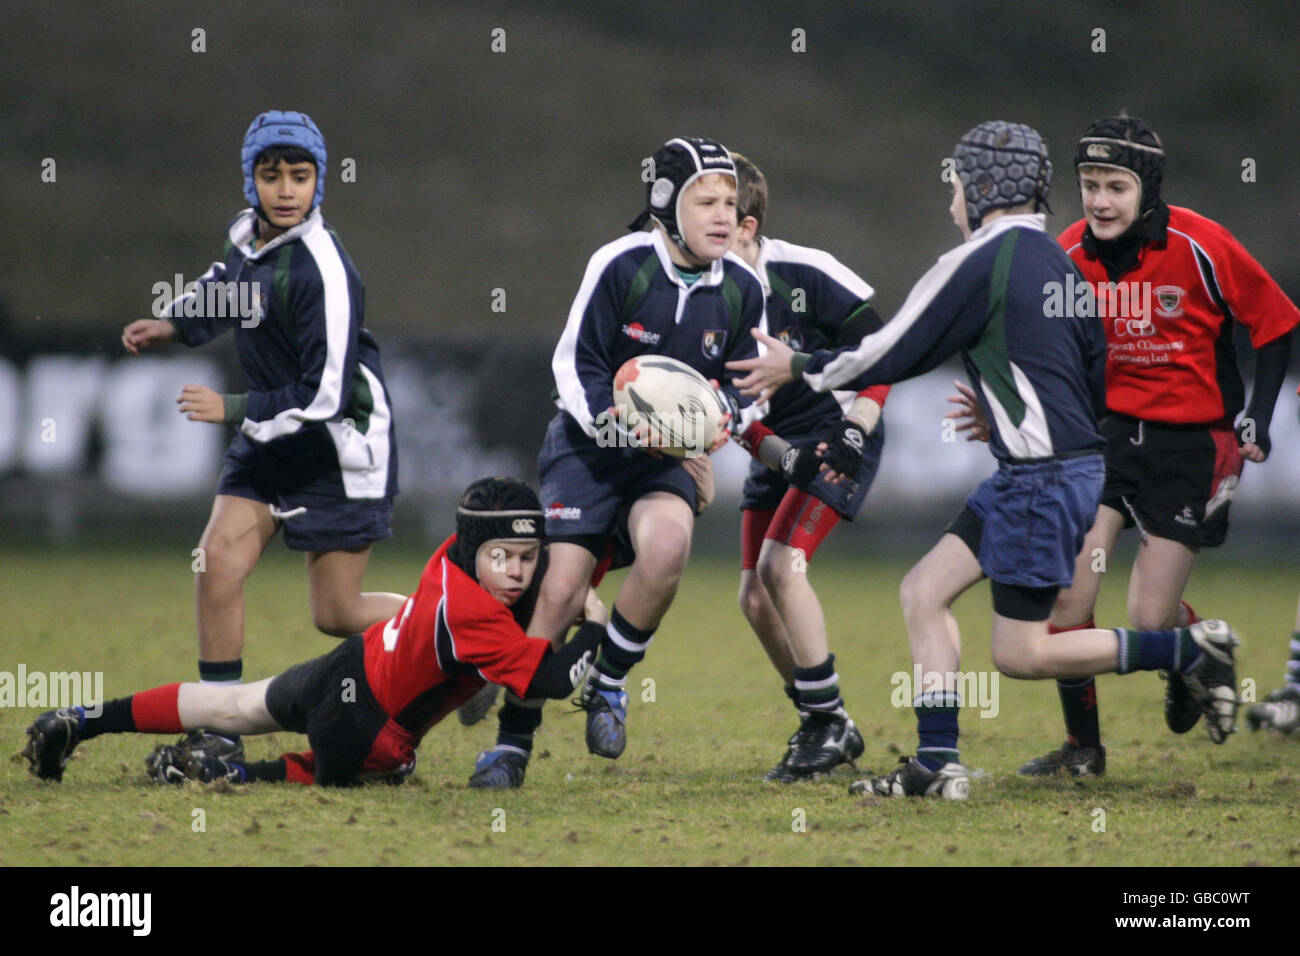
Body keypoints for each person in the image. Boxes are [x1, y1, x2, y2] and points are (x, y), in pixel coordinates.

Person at [728, 121, 1241, 799]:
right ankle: (938, 764)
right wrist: (1009, 414)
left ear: (983, 187)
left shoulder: (982, 258)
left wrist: (793, 364)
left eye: (955, 187)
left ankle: (1188, 651)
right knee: (923, 591)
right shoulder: (1059, 259)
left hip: (1040, 479)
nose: (951, 204)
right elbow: (1092, 366)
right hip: (1050, 471)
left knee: (1022, 653)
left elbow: (892, 351)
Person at [468, 136, 765, 784]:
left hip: (664, 461)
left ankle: (606, 680)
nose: (722, 215)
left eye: (729, 202)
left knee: (667, 548)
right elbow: (575, 365)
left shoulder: (743, 287)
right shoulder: (622, 264)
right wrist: (618, 423)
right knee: (560, 591)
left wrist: (722, 418)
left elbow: (747, 381)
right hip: (590, 448)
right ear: (666, 203)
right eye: (705, 200)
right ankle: (513, 745)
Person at [1007, 116, 1297, 776]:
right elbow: (1050, 350)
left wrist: (1258, 416)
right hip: (1103, 440)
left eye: (1115, 185)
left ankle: (1194, 649)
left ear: (1148, 189)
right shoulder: (1070, 252)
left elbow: (1277, 323)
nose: (1100, 201)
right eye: (1089, 185)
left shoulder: (1202, 244)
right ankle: (1084, 751)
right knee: (1069, 598)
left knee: (1147, 614)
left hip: (1190, 447)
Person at [119, 111, 404, 759]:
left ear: (319, 184)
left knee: (335, 613)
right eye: (270, 174)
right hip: (268, 437)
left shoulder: (324, 272)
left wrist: (229, 407)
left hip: (337, 448)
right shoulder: (247, 236)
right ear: (250, 180)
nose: (284, 189)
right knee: (216, 563)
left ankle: (454, 635)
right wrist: (175, 326)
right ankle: (220, 732)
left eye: (298, 177)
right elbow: (226, 288)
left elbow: (327, 395)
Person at [22, 479, 609, 787]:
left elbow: (521, 571)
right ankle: (233, 773)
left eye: (529, 558)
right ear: (478, 550)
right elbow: (552, 680)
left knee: (232, 704)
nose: (515, 572)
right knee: (384, 773)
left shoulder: (454, 554)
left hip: (347, 667)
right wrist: (597, 628)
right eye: (503, 557)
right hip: (370, 730)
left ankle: (80, 720)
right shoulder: (475, 616)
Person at [725, 152, 890, 781]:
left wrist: (857, 427)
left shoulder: (804, 271)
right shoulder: (699, 293)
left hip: (837, 432)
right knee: (754, 599)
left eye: (715, 208)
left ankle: (824, 725)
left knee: (779, 566)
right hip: (777, 442)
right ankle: (828, 719)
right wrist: (777, 453)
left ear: (746, 224)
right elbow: (728, 408)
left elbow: (881, 353)